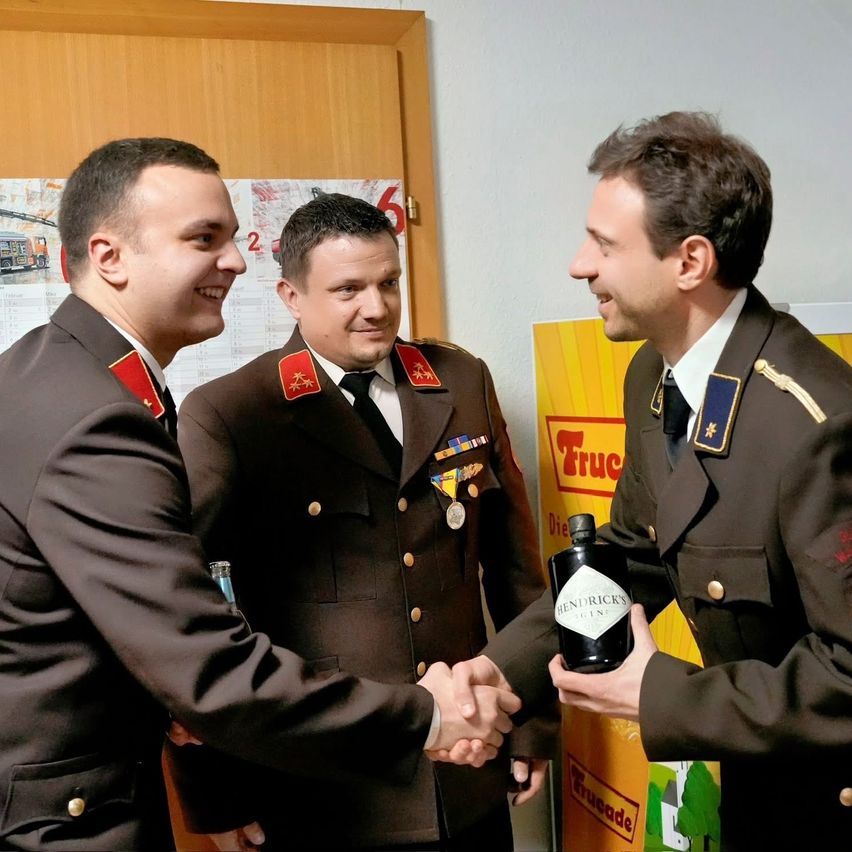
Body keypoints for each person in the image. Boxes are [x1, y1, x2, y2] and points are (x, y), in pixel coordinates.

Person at [0, 139, 519, 852]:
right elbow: (203, 657)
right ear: (110, 257)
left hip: (458, 783)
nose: (236, 260)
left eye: (232, 238)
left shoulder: (54, 375)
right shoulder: (109, 414)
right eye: (203, 239)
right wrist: (425, 716)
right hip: (116, 809)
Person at [451, 112, 852, 850]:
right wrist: (490, 672)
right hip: (758, 780)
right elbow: (632, 555)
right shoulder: (655, 375)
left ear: (690, 262)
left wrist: (658, 693)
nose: (579, 264)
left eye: (604, 244)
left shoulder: (816, 422)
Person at [169, 193, 556, 850]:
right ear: (292, 295)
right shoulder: (232, 415)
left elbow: (514, 570)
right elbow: (193, 621)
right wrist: (219, 793)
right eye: (348, 289)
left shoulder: (458, 381)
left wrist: (530, 723)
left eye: (387, 283)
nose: (376, 308)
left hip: (465, 769)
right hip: (322, 791)